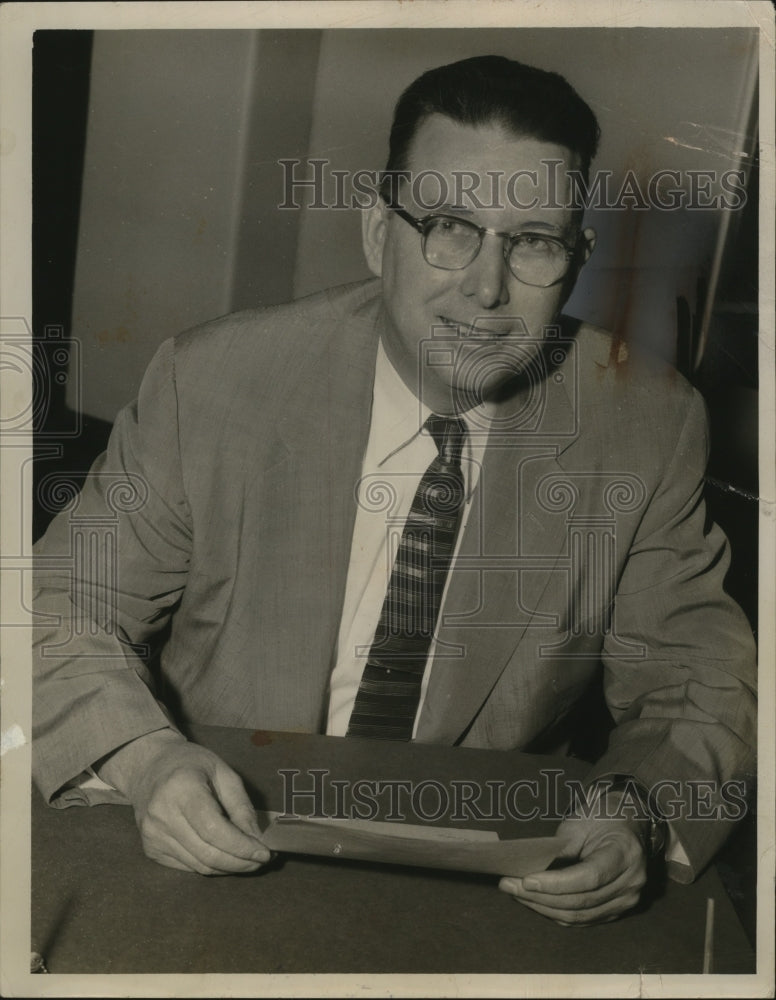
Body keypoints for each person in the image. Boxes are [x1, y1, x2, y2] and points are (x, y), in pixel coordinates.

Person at [32, 55, 756, 926]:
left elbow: (698, 676)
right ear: (379, 232)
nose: (487, 289)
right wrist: (146, 759)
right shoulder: (214, 380)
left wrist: (637, 813)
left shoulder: (648, 424)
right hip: (207, 828)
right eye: (449, 226)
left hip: (495, 880)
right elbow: (57, 603)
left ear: (576, 259)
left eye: (532, 241)